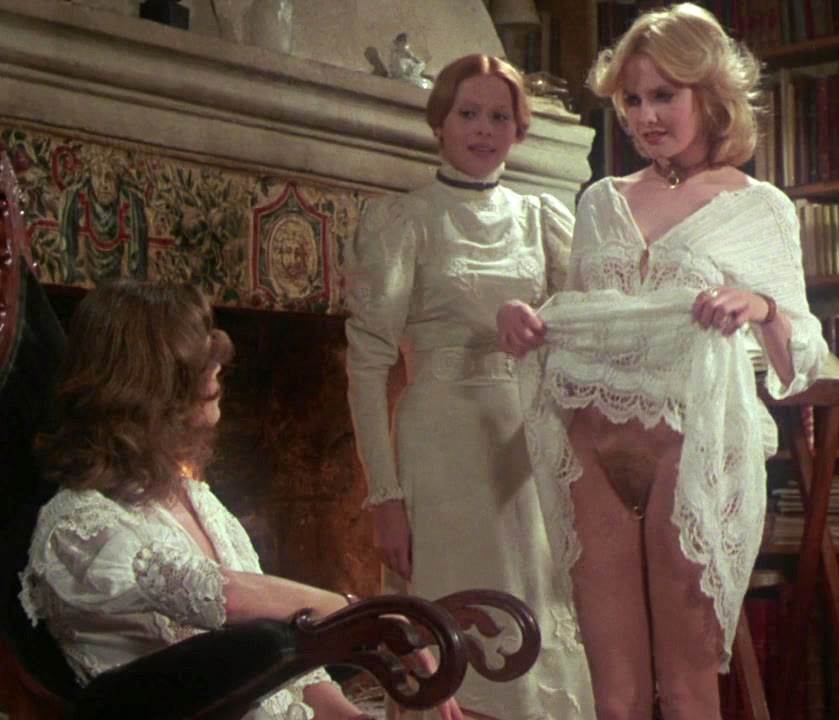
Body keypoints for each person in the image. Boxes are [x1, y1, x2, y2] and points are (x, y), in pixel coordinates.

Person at [497, 4, 828, 719]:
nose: (644, 117)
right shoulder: (600, 202)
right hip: (590, 453)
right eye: (632, 99)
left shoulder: (760, 208)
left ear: (709, 94)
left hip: (691, 453)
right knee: (613, 700)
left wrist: (759, 306)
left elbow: (802, 356)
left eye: (663, 96)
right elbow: (584, 324)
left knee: (685, 693)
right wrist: (527, 319)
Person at [18, 280, 461, 720]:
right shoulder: (79, 526)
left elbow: (291, 652)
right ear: (152, 382)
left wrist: (350, 717)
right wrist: (361, 615)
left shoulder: (194, 498)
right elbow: (222, 596)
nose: (218, 363)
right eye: (201, 354)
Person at [345, 54, 595, 720]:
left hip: (524, 442)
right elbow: (367, 364)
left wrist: (541, 325)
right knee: (448, 619)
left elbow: (586, 330)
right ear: (440, 123)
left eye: (499, 117)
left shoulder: (541, 219)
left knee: (535, 609)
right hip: (439, 444)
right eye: (468, 113)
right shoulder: (405, 220)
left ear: (519, 129)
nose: (483, 130)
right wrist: (384, 498)